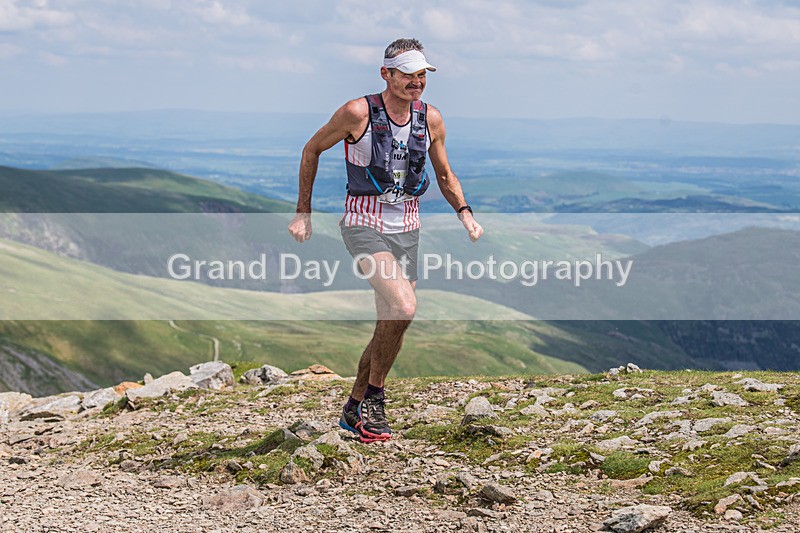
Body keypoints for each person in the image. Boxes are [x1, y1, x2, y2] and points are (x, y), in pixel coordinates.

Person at [288, 38, 483, 443]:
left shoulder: (431, 119)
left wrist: (465, 213)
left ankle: (353, 408)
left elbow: (445, 174)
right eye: (407, 73)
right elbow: (311, 149)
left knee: (390, 324)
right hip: (363, 224)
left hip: (408, 229)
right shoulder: (357, 112)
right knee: (404, 306)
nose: (416, 81)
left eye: (421, 74)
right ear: (386, 74)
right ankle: (376, 399)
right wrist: (303, 211)